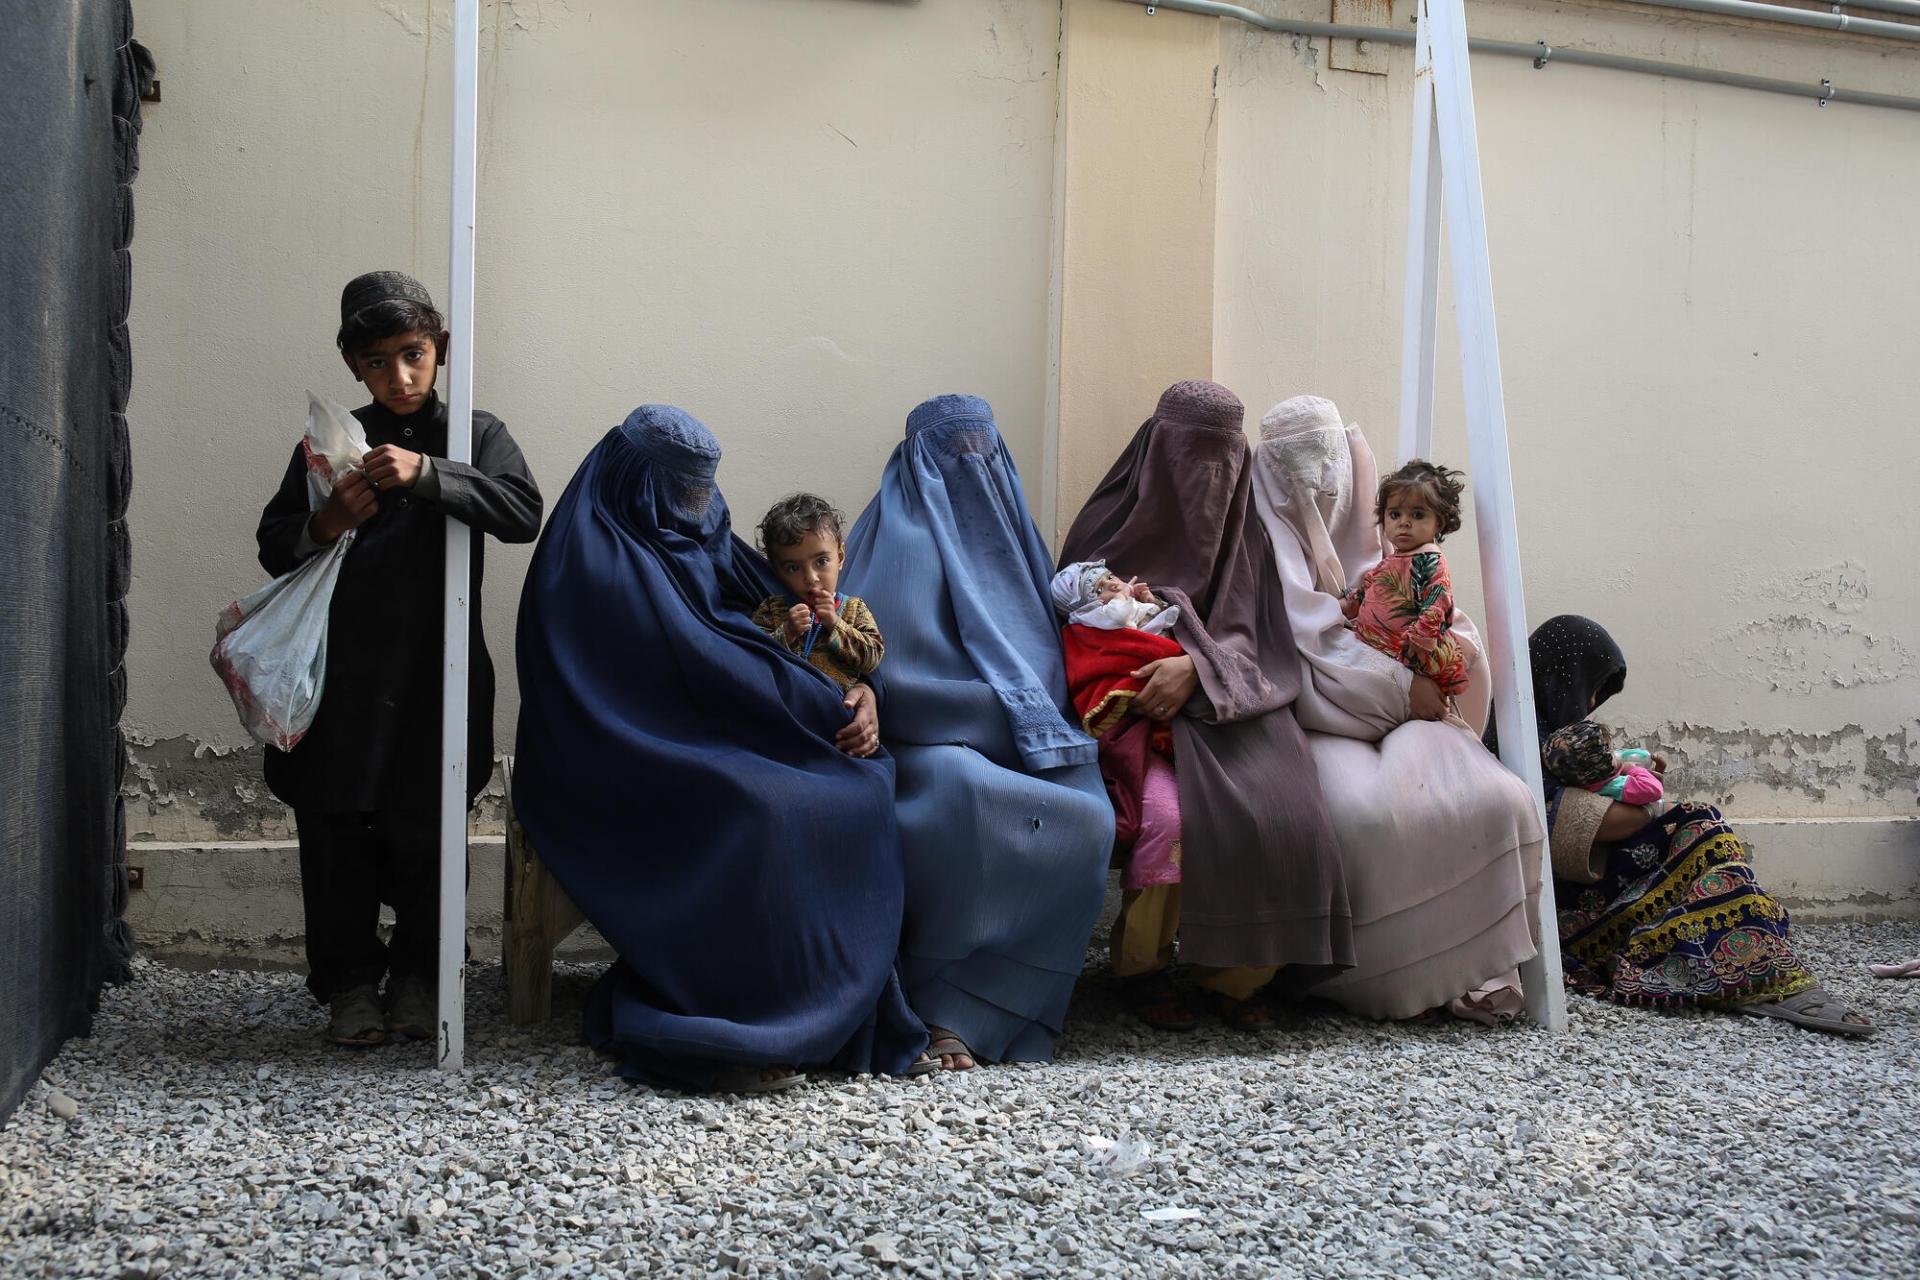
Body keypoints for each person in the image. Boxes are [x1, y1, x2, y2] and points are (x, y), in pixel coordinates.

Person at [512, 405, 931, 1091]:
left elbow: (774, 632)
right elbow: (702, 662)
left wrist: (864, 694)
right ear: (637, 483)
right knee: (769, 813)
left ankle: (833, 1013)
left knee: (843, 791)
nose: (697, 507)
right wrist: (803, 699)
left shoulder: (698, 530)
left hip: (721, 733)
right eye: (680, 490)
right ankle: (757, 1016)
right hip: (623, 754)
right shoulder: (595, 556)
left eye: (705, 489)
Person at [254, 270, 542, 1048]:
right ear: (354, 366)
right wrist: (327, 521)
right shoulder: (331, 441)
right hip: (342, 677)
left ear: (439, 349)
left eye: (413, 354)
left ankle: (421, 977)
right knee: (337, 828)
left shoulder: (473, 435)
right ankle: (348, 984)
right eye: (378, 362)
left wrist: (428, 474)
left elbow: (521, 511)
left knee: (429, 826)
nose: (400, 376)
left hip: (437, 674)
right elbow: (274, 544)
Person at [1059, 380, 1352, 1032]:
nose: (1205, 477)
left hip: (1232, 704)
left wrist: (1198, 666)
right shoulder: (1105, 524)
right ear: (1157, 449)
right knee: (1168, 820)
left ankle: (1237, 976)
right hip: (1138, 715)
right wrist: (1146, 667)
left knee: (1291, 813)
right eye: (1190, 455)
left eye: (1221, 459)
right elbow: (1075, 635)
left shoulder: (1245, 534)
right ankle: (1142, 969)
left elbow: (1260, 637)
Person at [841, 394, 1113, 1069]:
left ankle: (1014, 1003)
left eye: (982, 452)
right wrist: (997, 713)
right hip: (925, 744)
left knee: (1089, 817)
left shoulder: (1015, 539)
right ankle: (939, 1010)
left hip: (1030, 738)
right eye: (952, 454)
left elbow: (1043, 657)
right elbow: (892, 674)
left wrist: (1024, 716)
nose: (971, 467)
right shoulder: (892, 538)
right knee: (961, 795)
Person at [1250, 394, 1541, 1024]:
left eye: (1324, 469)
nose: (1312, 491)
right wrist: (1391, 683)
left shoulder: (1401, 557)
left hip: (1420, 718)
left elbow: (1454, 640)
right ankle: (1374, 981)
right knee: (1361, 817)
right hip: (1323, 726)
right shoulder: (1259, 556)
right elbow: (1290, 655)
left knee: (1494, 799)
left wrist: (1424, 673)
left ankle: (1473, 971)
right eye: (1292, 474)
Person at [1497, 614, 1876, 1037]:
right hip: (1572, 910)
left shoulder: (1554, 737)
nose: (1589, 706)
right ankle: (1753, 972)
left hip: (1606, 879)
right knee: (1698, 825)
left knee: (1699, 827)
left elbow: (1604, 803)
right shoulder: (1515, 740)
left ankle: (1760, 964)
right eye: (1591, 690)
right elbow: (1579, 824)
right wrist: (1646, 802)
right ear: (1563, 675)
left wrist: (1629, 786)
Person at [1051, 562, 1188, 1023]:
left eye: (1113, 579)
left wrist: (1155, 613)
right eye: (1102, 588)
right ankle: (1143, 966)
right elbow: (1101, 686)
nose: (1116, 586)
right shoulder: (1089, 634)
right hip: (1139, 747)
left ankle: (1234, 965)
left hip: (1197, 737)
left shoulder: (1145, 612)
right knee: (1167, 823)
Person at [1341, 459, 1471, 703]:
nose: (1404, 522)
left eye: (1418, 514)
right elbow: (1369, 589)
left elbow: (1438, 600)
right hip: (1385, 652)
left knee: (1425, 700)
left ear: (1439, 522)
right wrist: (1344, 605)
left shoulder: (1429, 558)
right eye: (1395, 514)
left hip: (1414, 651)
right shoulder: (1392, 560)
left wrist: (1422, 636)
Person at [750, 493, 884, 691]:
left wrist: (834, 623)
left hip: (836, 710)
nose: (811, 578)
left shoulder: (854, 609)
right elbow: (751, 658)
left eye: (821, 561)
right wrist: (787, 632)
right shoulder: (772, 609)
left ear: (839, 557)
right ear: (777, 571)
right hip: (784, 705)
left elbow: (873, 657)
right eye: (793, 568)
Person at [1051, 560, 1181, 636]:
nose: (1112, 584)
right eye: (1099, 590)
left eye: (1109, 577)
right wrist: (1121, 595)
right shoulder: (1094, 616)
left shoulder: (1123, 602)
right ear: (1085, 608)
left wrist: (1150, 600)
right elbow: (1119, 616)